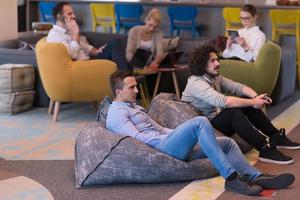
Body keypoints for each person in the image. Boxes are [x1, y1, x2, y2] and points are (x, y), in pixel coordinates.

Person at [106, 70, 295, 196]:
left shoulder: (133, 107)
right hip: (161, 148)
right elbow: (138, 139)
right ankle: (231, 178)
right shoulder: (117, 113)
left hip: (168, 141)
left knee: (227, 143)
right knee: (200, 122)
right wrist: (171, 137)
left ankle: (255, 176)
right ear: (117, 91)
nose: (137, 90)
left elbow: (159, 128)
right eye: (131, 87)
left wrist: (178, 133)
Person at [182, 43, 300, 165]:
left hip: (212, 122)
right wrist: (254, 102)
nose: (218, 63)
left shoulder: (214, 77)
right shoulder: (196, 83)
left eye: (217, 59)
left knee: (245, 101)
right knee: (233, 112)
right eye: (213, 61)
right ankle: (265, 149)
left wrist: (255, 97)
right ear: (201, 64)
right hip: (201, 132)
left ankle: (275, 136)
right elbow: (224, 102)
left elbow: (238, 87)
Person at [47, 2, 131, 70]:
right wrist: (75, 33)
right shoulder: (55, 35)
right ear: (59, 16)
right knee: (115, 46)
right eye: (70, 13)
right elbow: (73, 54)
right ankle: (127, 79)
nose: (74, 16)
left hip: (90, 59)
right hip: (83, 65)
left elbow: (84, 46)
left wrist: (97, 50)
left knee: (116, 43)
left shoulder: (68, 30)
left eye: (73, 13)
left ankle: (127, 79)